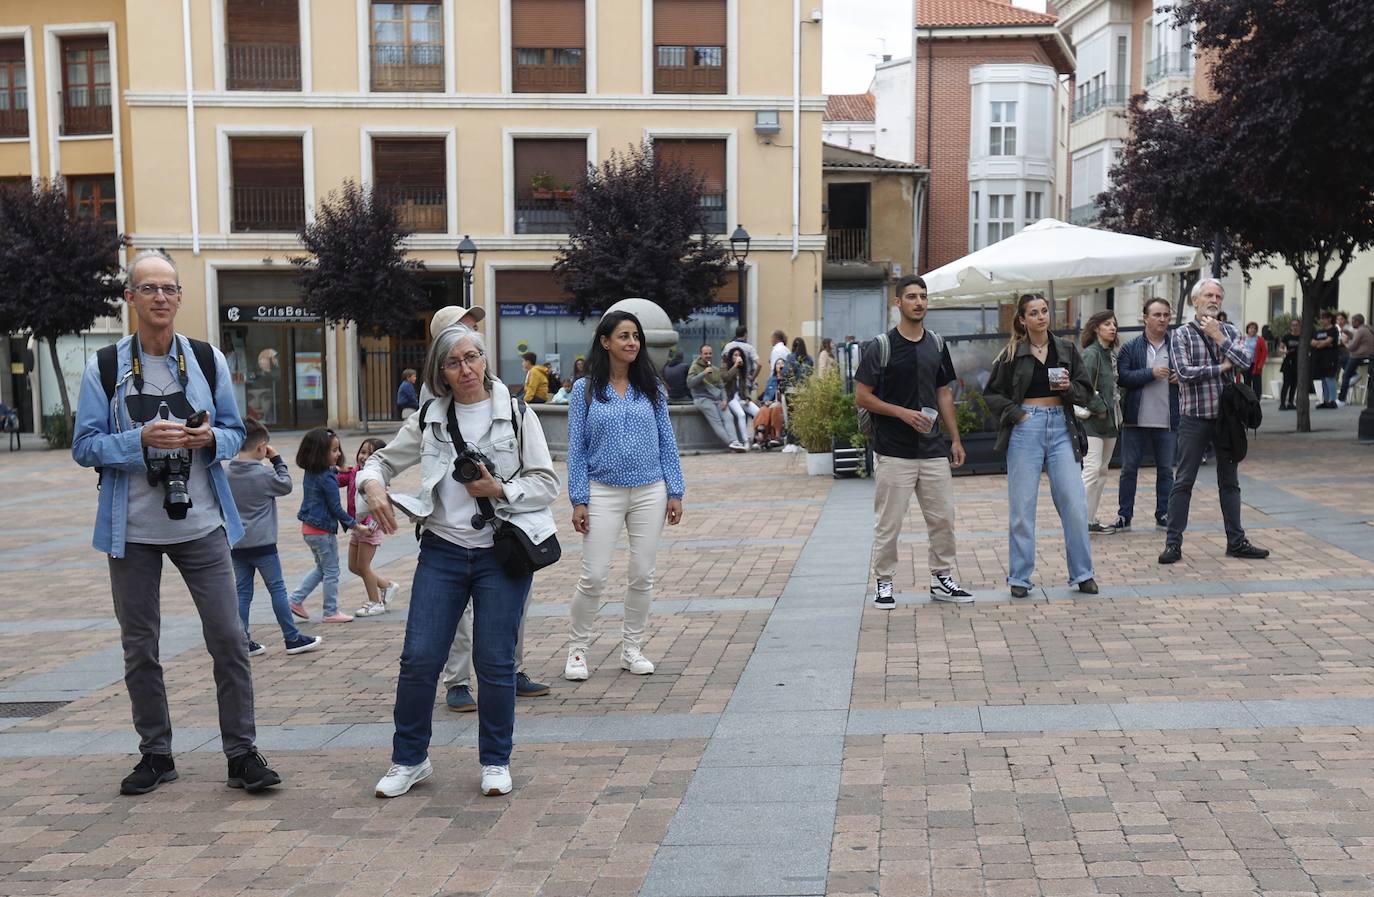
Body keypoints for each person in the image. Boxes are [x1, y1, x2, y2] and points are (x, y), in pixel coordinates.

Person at [71, 248, 281, 795]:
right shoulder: (106, 366)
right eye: (149, 289)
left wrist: (211, 437)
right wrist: (137, 439)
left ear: (180, 297)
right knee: (140, 646)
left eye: (169, 288)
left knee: (230, 639)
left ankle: (241, 754)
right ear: (131, 298)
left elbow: (239, 431)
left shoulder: (207, 360)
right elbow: (85, 447)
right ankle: (156, 753)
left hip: (203, 525)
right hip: (132, 531)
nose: (161, 298)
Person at [359, 325, 560, 799]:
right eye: (455, 362)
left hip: (499, 552)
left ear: (485, 360)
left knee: (494, 663)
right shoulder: (429, 416)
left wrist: (500, 490)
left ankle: (495, 760)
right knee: (418, 659)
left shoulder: (515, 412)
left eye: (473, 357)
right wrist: (371, 483)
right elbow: (381, 462)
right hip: (442, 552)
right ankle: (409, 759)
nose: (467, 369)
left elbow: (546, 483)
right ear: (441, 373)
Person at [564, 310, 685, 681]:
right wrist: (579, 498)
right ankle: (578, 650)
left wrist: (675, 490)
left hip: (650, 490)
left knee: (642, 574)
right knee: (594, 575)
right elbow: (576, 448)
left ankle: (632, 648)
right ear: (605, 341)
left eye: (636, 336)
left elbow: (667, 440)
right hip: (602, 491)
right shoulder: (585, 390)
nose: (632, 343)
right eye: (624, 336)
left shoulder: (652, 386)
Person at [854, 274, 973, 607]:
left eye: (923, 296)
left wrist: (956, 439)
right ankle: (884, 582)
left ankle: (941, 579)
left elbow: (944, 393)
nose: (919, 302)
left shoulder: (936, 342)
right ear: (898, 303)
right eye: (911, 297)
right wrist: (902, 413)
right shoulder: (881, 346)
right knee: (889, 523)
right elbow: (862, 397)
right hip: (894, 450)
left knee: (943, 519)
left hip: (933, 448)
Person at [983, 294, 1101, 598]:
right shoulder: (1011, 354)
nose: (1041, 317)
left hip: (1061, 426)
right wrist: (1017, 414)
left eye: (1045, 311)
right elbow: (992, 394)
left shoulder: (1066, 349)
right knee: (1022, 508)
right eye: (1034, 313)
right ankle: (1020, 578)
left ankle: (1083, 574)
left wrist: (1069, 388)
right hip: (1026, 428)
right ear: (1022, 319)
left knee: (1075, 504)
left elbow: (1086, 392)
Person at [1159, 278, 1269, 565]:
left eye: (1218, 295)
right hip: (1194, 417)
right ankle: (1173, 544)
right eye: (1208, 294)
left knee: (1229, 482)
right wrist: (1221, 366)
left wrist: (1220, 338)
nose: (1214, 299)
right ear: (1195, 300)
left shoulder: (1230, 331)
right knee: (1183, 481)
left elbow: (1246, 362)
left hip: (1227, 419)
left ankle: (1237, 541)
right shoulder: (1182, 334)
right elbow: (1183, 372)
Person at [226, 419, 322, 657]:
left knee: (243, 592)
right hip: (263, 544)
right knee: (277, 589)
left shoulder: (226, 472)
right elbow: (286, 485)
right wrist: (277, 459)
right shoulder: (264, 473)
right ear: (262, 447)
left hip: (237, 542)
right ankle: (292, 638)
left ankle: (242, 640)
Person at [288, 428, 369, 623]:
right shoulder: (327, 479)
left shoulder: (313, 470)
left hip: (309, 529)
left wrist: (339, 470)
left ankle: (295, 599)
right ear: (319, 453)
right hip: (322, 531)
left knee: (322, 568)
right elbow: (336, 509)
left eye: (338, 449)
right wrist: (356, 526)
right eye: (334, 451)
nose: (339, 454)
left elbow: (327, 475)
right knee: (332, 570)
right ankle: (330, 611)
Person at [1114, 297, 1179, 532]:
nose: (1162, 319)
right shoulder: (1131, 347)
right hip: (1135, 419)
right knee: (1129, 469)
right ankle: (1125, 515)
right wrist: (1150, 373)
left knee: (1166, 470)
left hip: (1167, 419)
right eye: (1157, 315)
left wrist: (1181, 378)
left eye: (1165, 315)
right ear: (1145, 317)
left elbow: (1190, 373)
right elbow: (1122, 378)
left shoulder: (1177, 346)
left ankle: (1164, 514)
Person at [343, 438, 401, 617]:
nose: (364, 457)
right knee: (354, 566)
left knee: (364, 566)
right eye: (362, 452)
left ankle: (376, 602)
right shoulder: (355, 472)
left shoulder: (378, 481)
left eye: (370, 454)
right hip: (357, 527)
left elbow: (384, 505)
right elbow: (337, 478)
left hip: (369, 528)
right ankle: (387, 585)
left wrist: (372, 526)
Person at [1079, 311, 1121, 535]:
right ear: (1096, 328)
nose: (1112, 328)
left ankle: (1090, 519)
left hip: (1111, 422)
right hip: (1093, 421)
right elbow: (1082, 386)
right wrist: (1101, 407)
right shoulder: (1092, 354)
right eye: (1107, 324)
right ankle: (1080, 521)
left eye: (1114, 324)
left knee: (1102, 471)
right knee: (1092, 469)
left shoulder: (1110, 354)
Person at [686, 344, 738, 450]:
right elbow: (690, 384)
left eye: (710, 353)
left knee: (728, 416)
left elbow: (721, 387)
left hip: (717, 398)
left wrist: (724, 399)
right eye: (705, 354)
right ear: (701, 354)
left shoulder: (714, 369)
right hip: (702, 398)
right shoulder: (694, 367)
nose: (708, 355)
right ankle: (731, 444)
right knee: (717, 421)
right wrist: (703, 374)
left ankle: (735, 441)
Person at [721, 346, 759, 449]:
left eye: (739, 355)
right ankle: (745, 441)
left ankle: (757, 439)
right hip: (731, 397)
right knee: (741, 415)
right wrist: (735, 366)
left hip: (741, 397)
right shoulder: (725, 366)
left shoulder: (742, 369)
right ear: (731, 357)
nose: (738, 357)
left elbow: (745, 385)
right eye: (735, 355)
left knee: (758, 412)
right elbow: (726, 377)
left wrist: (747, 397)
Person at [753, 358, 787, 449]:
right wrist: (767, 401)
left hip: (782, 404)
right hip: (771, 403)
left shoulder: (787, 379)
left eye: (782, 363)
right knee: (764, 409)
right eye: (778, 364)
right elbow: (767, 394)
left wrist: (781, 379)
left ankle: (776, 436)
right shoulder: (771, 380)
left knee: (776, 408)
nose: (780, 365)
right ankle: (761, 435)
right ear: (775, 367)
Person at [1339, 314, 1373, 402]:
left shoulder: (1361, 331)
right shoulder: (1366, 329)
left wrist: (1345, 344)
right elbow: (1357, 340)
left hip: (1360, 356)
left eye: (1353, 321)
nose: (1351, 323)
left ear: (1357, 322)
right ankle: (1354, 375)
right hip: (1367, 356)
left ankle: (1341, 399)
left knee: (1345, 375)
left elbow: (1353, 346)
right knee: (1344, 359)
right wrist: (1349, 334)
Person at [1311, 312, 1341, 408]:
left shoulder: (1333, 330)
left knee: (1330, 378)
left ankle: (1333, 400)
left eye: (1324, 318)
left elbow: (1328, 341)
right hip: (1320, 358)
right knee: (1323, 379)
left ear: (1329, 319)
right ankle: (1325, 400)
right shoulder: (1319, 331)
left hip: (1330, 358)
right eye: (1321, 318)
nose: (1322, 320)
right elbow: (1312, 342)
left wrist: (1322, 344)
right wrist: (1323, 343)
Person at [1278, 318, 1302, 410]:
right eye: (1293, 325)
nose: (1295, 327)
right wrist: (1284, 352)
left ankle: (1291, 402)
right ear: (1290, 326)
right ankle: (1282, 403)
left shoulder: (1301, 337)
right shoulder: (1287, 336)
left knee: (1294, 384)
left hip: (1298, 362)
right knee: (1286, 383)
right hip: (1288, 362)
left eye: (1296, 325)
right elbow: (1280, 348)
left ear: (1299, 326)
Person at [1242, 322, 1268, 394]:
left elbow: (1264, 353)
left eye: (1254, 328)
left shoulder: (1260, 339)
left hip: (1256, 365)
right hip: (1245, 364)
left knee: (1257, 384)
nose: (1253, 330)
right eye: (1251, 328)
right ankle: (1248, 400)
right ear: (1248, 329)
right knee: (1247, 383)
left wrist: (1260, 364)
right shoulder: (1243, 339)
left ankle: (1256, 400)